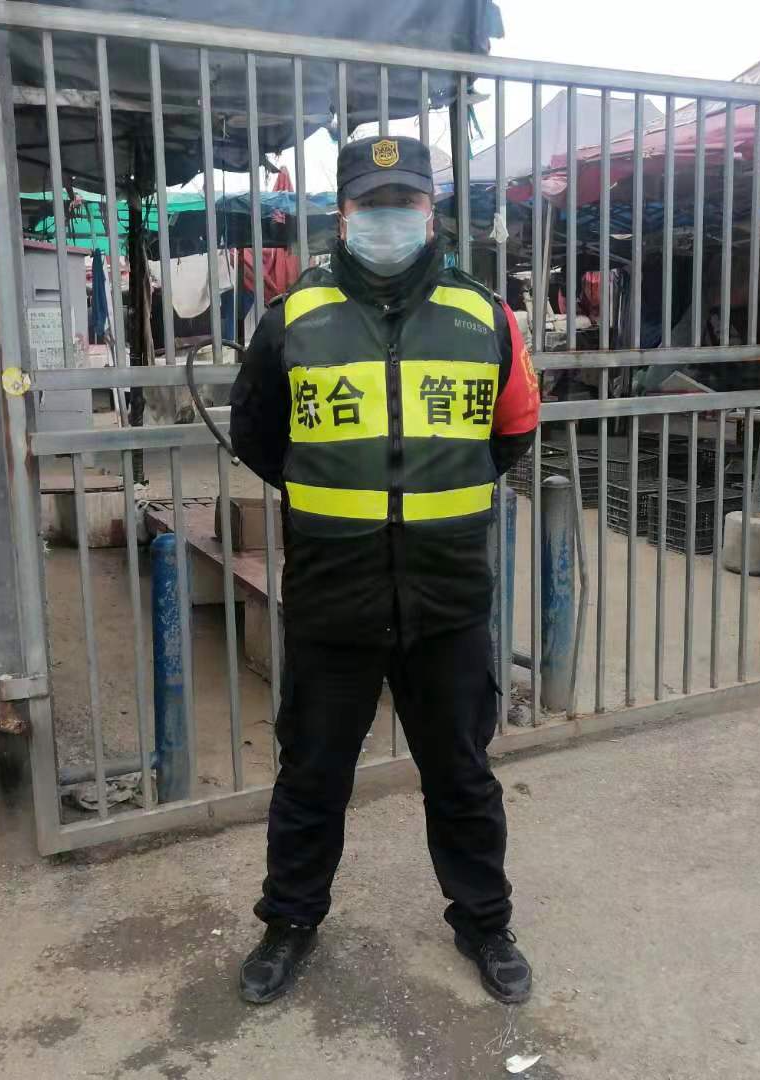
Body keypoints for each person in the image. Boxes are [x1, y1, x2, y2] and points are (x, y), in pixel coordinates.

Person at [228, 135, 540, 1006]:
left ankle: (485, 922)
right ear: (343, 214)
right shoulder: (293, 317)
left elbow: (513, 431)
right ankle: (290, 922)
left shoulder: (485, 315)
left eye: (405, 202)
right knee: (311, 776)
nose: (389, 218)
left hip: (447, 595)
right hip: (335, 593)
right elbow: (258, 434)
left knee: (462, 774)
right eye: (372, 204)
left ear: (432, 213)